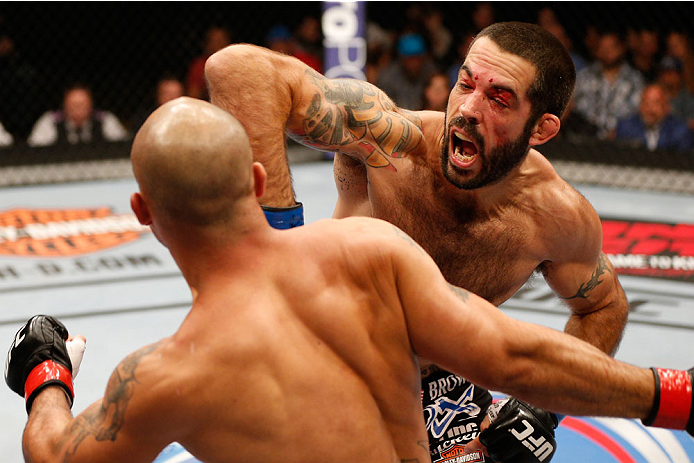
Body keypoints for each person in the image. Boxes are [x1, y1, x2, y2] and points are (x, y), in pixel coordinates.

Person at [6, 98, 694, 463]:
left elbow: (60, 455)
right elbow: (513, 353)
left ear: (143, 214)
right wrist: (674, 394)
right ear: (253, 182)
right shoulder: (370, 249)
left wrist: (48, 376)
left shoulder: (165, 376)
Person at [205, 21, 632, 461]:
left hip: (448, 389)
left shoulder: (556, 215)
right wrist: (277, 248)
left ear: (541, 129)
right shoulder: (388, 140)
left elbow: (604, 305)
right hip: (332, 360)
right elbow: (237, 69)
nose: (467, 108)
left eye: (498, 99)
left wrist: (544, 408)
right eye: (465, 83)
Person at [573, 29, 645, 140]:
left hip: (623, 140)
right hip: (586, 138)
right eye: (603, 47)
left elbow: (636, 112)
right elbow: (575, 107)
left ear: (621, 48)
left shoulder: (635, 80)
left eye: (611, 47)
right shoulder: (584, 77)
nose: (607, 52)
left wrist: (620, 130)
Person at [27, 83, 128, 147]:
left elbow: (122, 145)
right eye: (74, 105)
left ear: (91, 106)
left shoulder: (105, 119)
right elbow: (35, 147)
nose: (78, 109)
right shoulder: (50, 121)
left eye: (82, 105)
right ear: (65, 106)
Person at [615, 84, 693, 152]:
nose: (650, 109)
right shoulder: (626, 128)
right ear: (640, 106)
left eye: (656, 103)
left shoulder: (681, 132)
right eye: (646, 103)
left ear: (666, 107)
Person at [186, 26, 231, 100]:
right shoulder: (199, 66)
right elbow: (193, 96)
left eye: (221, 41)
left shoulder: (234, 64)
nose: (218, 45)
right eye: (214, 41)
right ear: (207, 44)